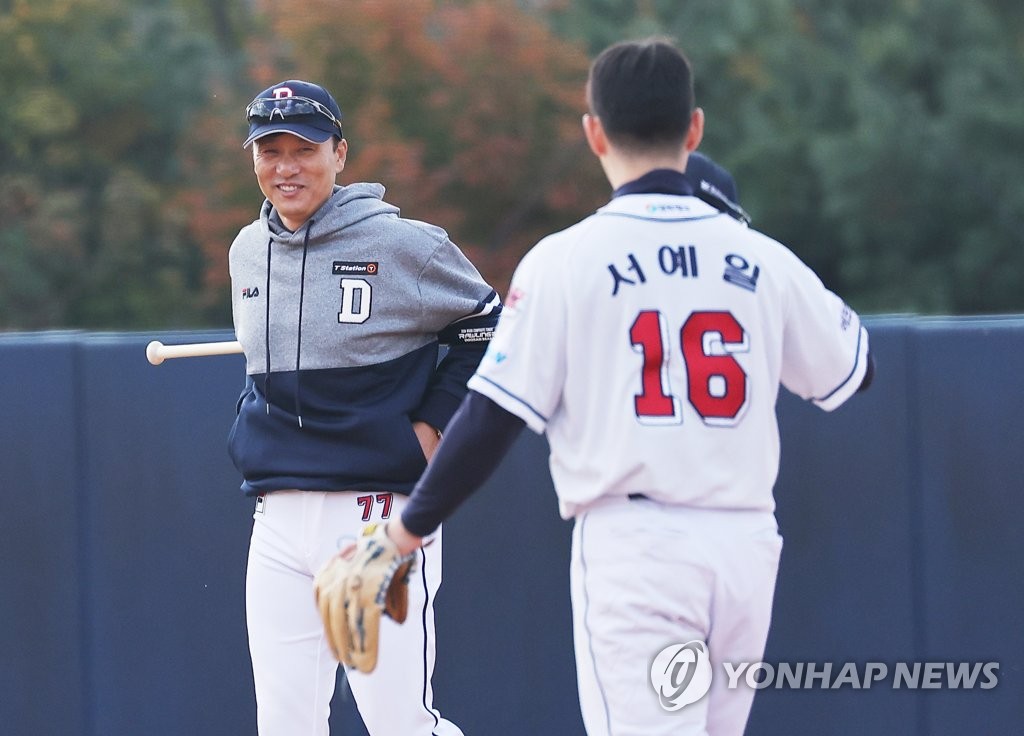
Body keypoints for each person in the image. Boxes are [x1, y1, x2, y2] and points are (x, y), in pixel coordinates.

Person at [328, 38, 874, 735]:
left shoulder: (567, 260)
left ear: (594, 133)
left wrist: (404, 533)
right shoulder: (762, 259)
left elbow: (493, 416)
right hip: (745, 547)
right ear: (695, 128)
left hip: (641, 551)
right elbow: (855, 372)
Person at [228, 78, 498, 736]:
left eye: (305, 148)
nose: (286, 166)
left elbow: (489, 327)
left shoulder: (405, 244)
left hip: (378, 515)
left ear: (341, 153)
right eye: (271, 150)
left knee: (401, 724)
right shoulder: (246, 250)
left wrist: (429, 427)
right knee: (286, 726)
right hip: (279, 514)